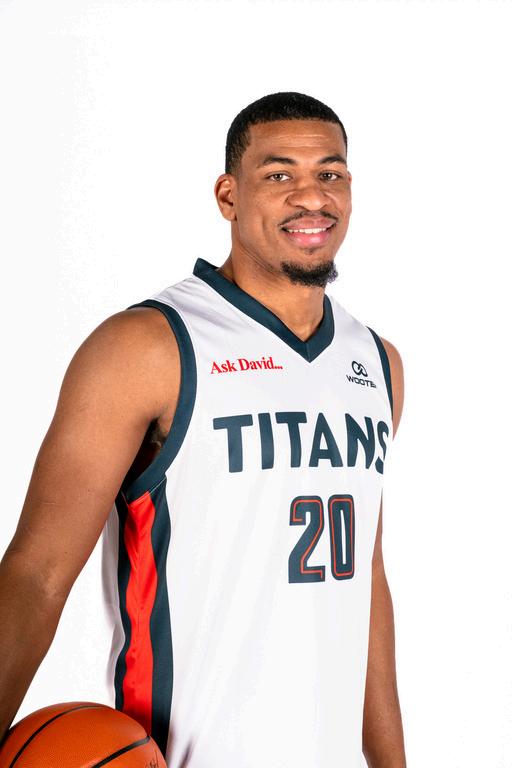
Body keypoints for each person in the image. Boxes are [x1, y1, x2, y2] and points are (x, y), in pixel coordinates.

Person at [0, 91, 406, 767]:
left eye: (330, 173)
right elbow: (36, 575)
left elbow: (365, 574)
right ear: (228, 196)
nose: (312, 196)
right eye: (279, 174)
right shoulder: (147, 346)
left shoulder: (377, 362)